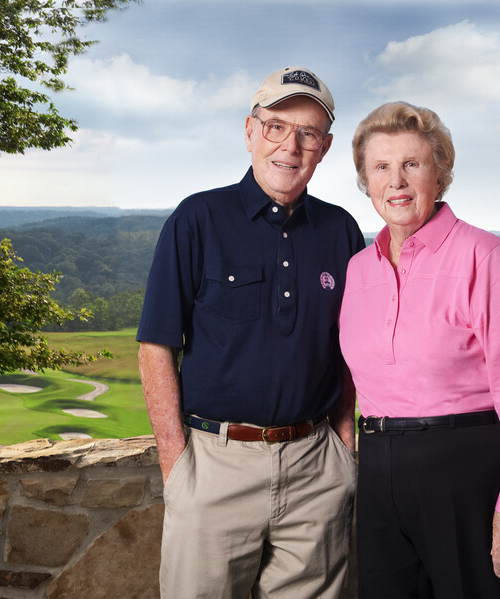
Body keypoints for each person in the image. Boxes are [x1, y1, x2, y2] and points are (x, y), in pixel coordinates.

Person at [137, 66, 365, 599]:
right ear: (249, 131)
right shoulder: (197, 219)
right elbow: (156, 347)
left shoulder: (342, 231)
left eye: (309, 132)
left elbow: (353, 350)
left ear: (325, 147)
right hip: (214, 467)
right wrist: (178, 469)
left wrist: (343, 448)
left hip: (316, 469)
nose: (291, 145)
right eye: (276, 126)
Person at [339, 101, 500, 598]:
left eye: (412, 164)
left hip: (461, 468)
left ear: (440, 173)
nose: (397, 182)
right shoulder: (357, 271)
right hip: (379, 468)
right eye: (381, 168)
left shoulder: (484, 255)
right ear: (366, 181)